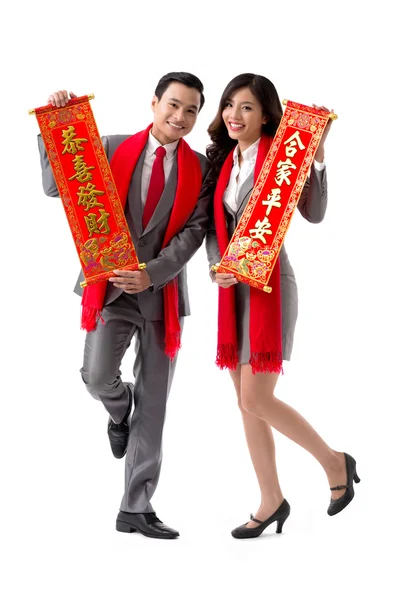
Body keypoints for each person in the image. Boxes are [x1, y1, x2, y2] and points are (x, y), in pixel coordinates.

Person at [38, 72, 213, 539]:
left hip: (162, 295)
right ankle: (119, 413)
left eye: (192, 110)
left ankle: (136, 507)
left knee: (154, 405)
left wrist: (152, 273)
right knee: (96, 377)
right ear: (154, 102)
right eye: (173, 105)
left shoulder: (199, 168)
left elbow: (195, 230)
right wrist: (57, 125)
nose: (180, 117)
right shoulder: (112, 146)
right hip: (111, 288)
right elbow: (59, 187)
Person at [206, 73, 359, 539]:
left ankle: (335, 462)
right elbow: (213, 230)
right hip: (232, 286)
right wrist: (218, 267)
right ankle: (271, 500)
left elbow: (313, 214)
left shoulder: (284, 155)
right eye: (230, 104)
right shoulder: (221, 159)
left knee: (257, 396)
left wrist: (317, 157)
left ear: (267, 114)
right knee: (244, 403)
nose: (235, 114)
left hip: (271, 284)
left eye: (247, 107)